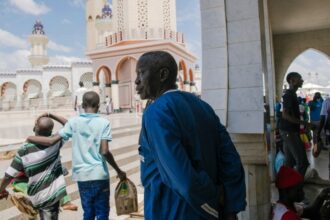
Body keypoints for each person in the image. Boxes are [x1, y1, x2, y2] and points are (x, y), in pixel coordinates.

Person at [135, 51, 246, 220]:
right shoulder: (203, 106)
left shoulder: (156, 112)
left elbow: (183, 181)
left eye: (141, 73)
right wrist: (230, 208)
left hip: (176, 211)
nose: (136, 81)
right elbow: (231, 160)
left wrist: (212, 206)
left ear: (163, 74)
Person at [27, 91, 127, 220]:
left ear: (82, 105)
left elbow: (52, 140)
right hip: (99, 175)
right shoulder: (104, 123)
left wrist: (30, 137)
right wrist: (118, 171)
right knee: (102, 212)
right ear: (98, 105)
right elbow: (105, 151)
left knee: (88, 212)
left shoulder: (74, 123)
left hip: (82, 176)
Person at [0, 116, 72, 219]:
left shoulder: (24, 150)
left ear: (34, 129)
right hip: (52, 195)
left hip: (36, 195)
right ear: (51, 130)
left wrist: (1, 189)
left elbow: (9, 175)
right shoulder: (56, 142)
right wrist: (50, 114)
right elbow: (70, 125)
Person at [279, 72, 315, 176]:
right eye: (299, 78)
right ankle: (296, 188)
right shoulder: (289, 95)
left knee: (289, 163)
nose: (302, 80)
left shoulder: (292, 94)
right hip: (289, 132)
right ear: (292, 81)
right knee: (302, 163)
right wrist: (306, 124)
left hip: (289, 131)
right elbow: (285, 115)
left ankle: (288, 186)